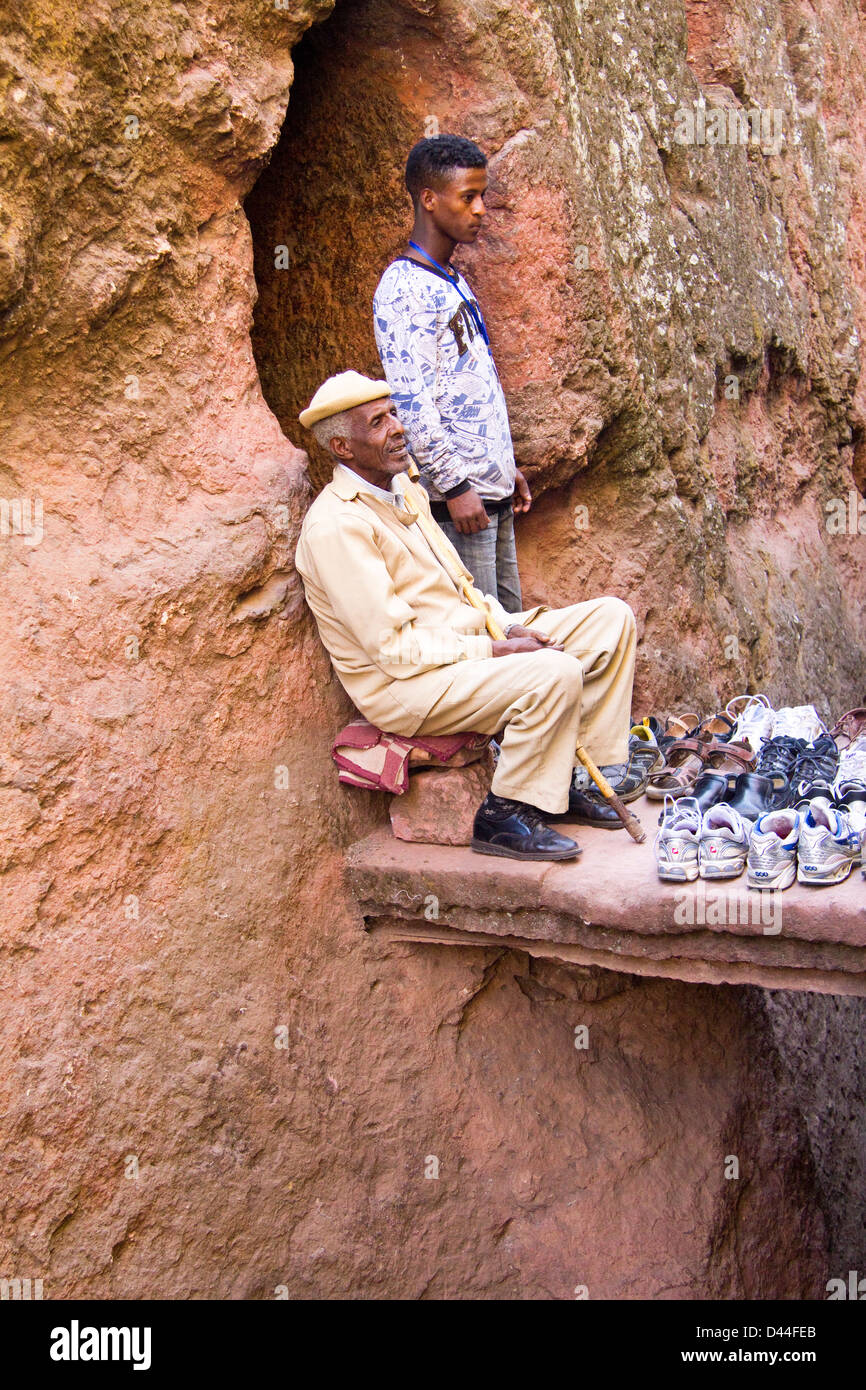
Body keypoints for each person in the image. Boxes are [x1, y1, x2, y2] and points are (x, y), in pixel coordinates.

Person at [294, 372, 638, 862]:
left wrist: (506, 625)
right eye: (379, 422)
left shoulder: (403, 488)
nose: (397, 428)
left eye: (393, 413)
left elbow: (464, 588)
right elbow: (393, 650)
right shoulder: (337, 526)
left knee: (610, 620)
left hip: (466, 647)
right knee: (553, 671)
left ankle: (562, 783)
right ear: (342, 447)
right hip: (408, 685)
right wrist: (497, 649)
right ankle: (505, 816)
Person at [373, 133, 529, 613]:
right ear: (429, 199)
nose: (480, 209)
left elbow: (467, 387)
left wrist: (505, 467)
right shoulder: (402, 290)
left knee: (516, 626)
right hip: (459, 505)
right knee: (489, 639)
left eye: (482, 195)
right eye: (468, 197)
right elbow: (413, 403)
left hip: (489, 494)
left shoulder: (451, 278)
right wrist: (458, 487)